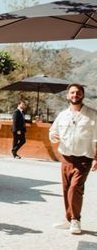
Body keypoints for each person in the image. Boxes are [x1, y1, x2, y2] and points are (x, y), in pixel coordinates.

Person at [49, 83, 97, 235]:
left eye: (78, 92)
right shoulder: (62, 115)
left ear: (83, 95)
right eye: (72, 93)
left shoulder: (92, 115)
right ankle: (68, 218)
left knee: (75, 188)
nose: (75, 95)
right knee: (65, 189)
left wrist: (96, 157)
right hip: (66, 157)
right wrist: (53, 136)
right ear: (67, 96)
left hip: (84, 158)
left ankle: (76, 220)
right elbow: (53, 131)